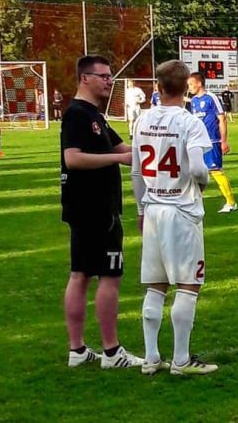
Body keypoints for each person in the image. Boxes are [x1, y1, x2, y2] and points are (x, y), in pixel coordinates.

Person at [132, 60, 218, 376]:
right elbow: (197, 168)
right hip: (182, 210)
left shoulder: (142, 121)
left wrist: (141, 209)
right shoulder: (189, 122)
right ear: (185, 89)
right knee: (187, 284)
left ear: (158, 86)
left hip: (153, 208)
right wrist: (203, 184)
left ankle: (152, 357)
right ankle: (181, 359)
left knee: (155, 285)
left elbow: (137, 171)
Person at [61, 55, 143, 369]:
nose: (109, 81)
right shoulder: (77, 115)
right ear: (85, 78)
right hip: (93, 207)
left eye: (110, 76)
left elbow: (125, 149)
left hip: (88, 207)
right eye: (104, 76)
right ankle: (112, 352)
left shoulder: (96, 116)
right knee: (109, 275)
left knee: (80, 274)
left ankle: (78, 351)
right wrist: (115, 160)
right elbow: (74, 159)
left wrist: (160, 145)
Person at [187, 72, 237, 213]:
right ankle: (194, 200)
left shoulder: (211, 98)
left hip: (212, 141)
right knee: (196, 171)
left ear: (199, 83)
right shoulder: (194, 101)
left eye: (191, 84)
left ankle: (231, 203)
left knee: (215, 171)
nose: (189, 87)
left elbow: (222, 119)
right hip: (197, 142)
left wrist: (223, 141)